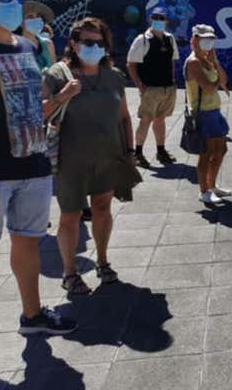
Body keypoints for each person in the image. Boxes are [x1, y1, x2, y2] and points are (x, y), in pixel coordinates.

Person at [0, 0, 77, 376]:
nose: (14, 4)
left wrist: (61, 101)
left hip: (34, 167)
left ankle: (32, 315)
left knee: (28, 244)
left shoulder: (27, 49)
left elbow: (32, 111)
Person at [42, 17, 133, 296]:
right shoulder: (57, 75)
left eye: (100, 43)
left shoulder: (114, 75)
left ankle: (103, 261)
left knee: (103, 209)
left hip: (108, 154)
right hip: (71, 159)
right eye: (88, 42)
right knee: (70, 216)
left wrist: (130, 152)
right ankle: (70, 273)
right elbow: (39, 113)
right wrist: (62, 96)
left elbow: (124, 117)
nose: (95, 47)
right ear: (73, 43)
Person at [183, 24, 232, 205]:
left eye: (211, 39)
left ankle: (212, 186)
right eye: (205, 39)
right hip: (202, 113)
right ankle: (204, 191)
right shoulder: (194, 62)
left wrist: (216, 62)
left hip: (214, 111)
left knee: (221, 150)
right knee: (206, 153)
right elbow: (210, 88)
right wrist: (219, 80)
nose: (208, 42)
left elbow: (225, 80)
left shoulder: (208, 59)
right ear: (195, 39)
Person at [126, 6, 179, 168]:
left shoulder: (170, 38)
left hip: (167, 87)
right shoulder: (142, 39)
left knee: (161, 119)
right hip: (150, 88)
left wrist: (173, 80)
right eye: (155, 18)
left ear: (166, 21)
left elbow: (172, 60)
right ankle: (138, 153)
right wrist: (140, 86)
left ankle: (161, 150)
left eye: (161, 18)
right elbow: (131, 64)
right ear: (150, 19)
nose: (158, 21)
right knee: (146, 120)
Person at [21, 0, 56, 71]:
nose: (35, 19)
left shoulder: (48, 44)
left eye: (38, 16)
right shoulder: (14, 45)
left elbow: (54, 74)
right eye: (30, 16)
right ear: (20, 22)